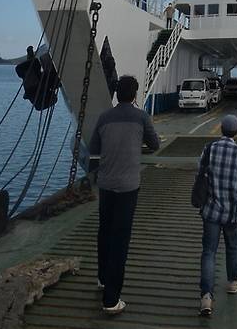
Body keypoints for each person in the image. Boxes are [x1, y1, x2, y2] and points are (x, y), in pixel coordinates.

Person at [88, 75, 160, 315]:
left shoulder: (104, 117)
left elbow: (94, 148)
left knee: (104, 231)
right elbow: (155, 144)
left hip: (106, 184)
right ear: (135, 94)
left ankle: (101, 278)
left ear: (116, 94)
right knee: (120, 239)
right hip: (128, 186)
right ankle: (111, 299)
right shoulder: (141, 116)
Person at [198, 114, 237, 318]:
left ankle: (206, 297)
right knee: (232, 246)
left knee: (209, 252)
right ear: (236, 132)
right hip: (232, 210)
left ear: (220, 129)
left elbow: (200, 175)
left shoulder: (209, 150)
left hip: (210, 209)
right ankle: (233, 282)